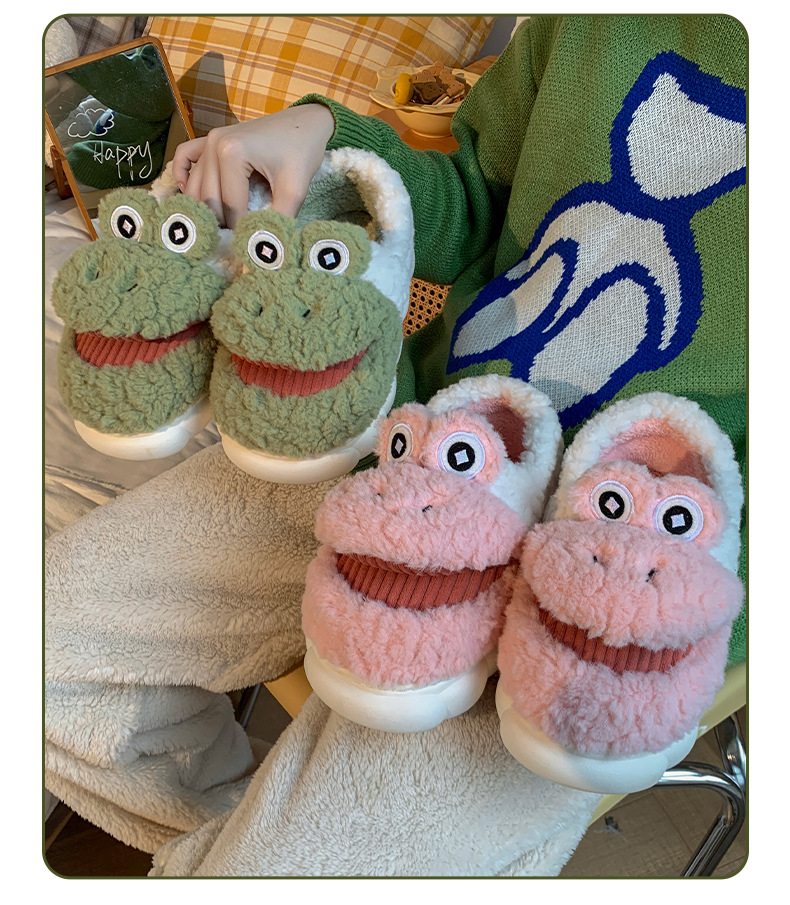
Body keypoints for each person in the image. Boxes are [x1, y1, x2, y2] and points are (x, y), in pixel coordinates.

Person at [46, 14, 747, 876]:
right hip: (414, 444)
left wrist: (682, 609)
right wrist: (326, 138)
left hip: (619, 591)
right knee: (40, 646)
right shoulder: (582, 24)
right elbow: (475, 202)